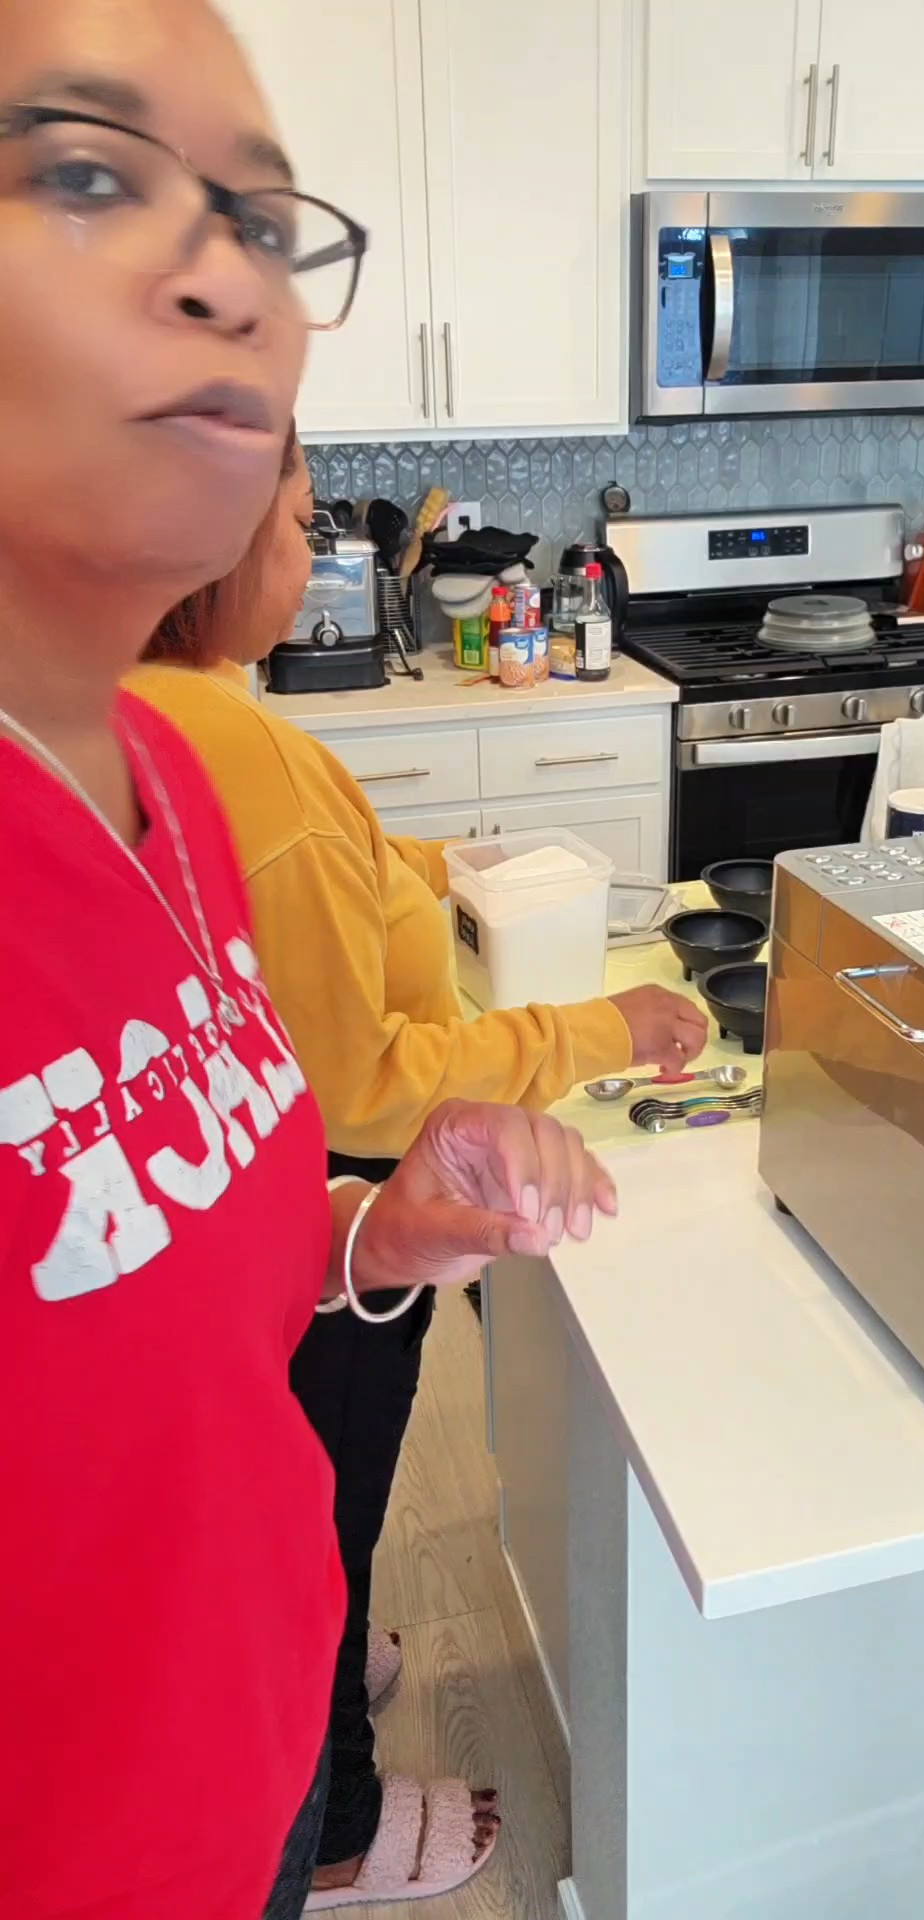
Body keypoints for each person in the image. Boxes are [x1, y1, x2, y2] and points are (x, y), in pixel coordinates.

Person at [0, 5, 618, 1919]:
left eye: (264, 218)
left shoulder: (169, 766)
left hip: (257, 1762)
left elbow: (149, 1272)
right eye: (90, 172)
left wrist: (372, 1233)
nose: (236, 283)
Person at [133, 434, 707, 1902]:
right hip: (331, 1192)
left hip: (239, 1209)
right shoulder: (240, 756)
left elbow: (307, 894)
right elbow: (364, 1079)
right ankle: (331, 1826)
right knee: (322, 1509)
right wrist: (599, 1027)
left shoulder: (143, 726)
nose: (316, 545)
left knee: (293, 1514)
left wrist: (424, 866)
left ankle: (328, 1667)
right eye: (302, 514)